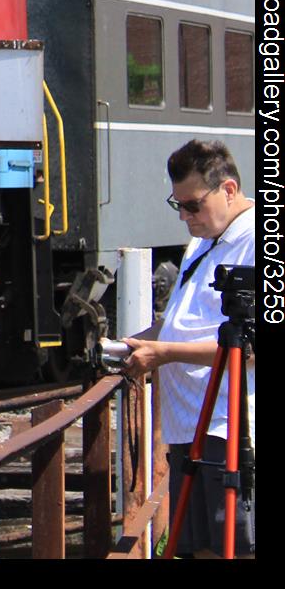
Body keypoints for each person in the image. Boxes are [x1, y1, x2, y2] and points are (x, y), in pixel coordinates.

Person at [123, 138, 257, 558]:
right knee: (199, 547)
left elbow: (250, 348)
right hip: (189, 425)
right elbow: (186, 318)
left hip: (230, 424)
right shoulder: (203, 240)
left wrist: (165, 354)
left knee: (235, 545)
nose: (184, 216)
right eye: (176, 204)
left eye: (193, 205)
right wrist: (145, 340)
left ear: (229, 190)